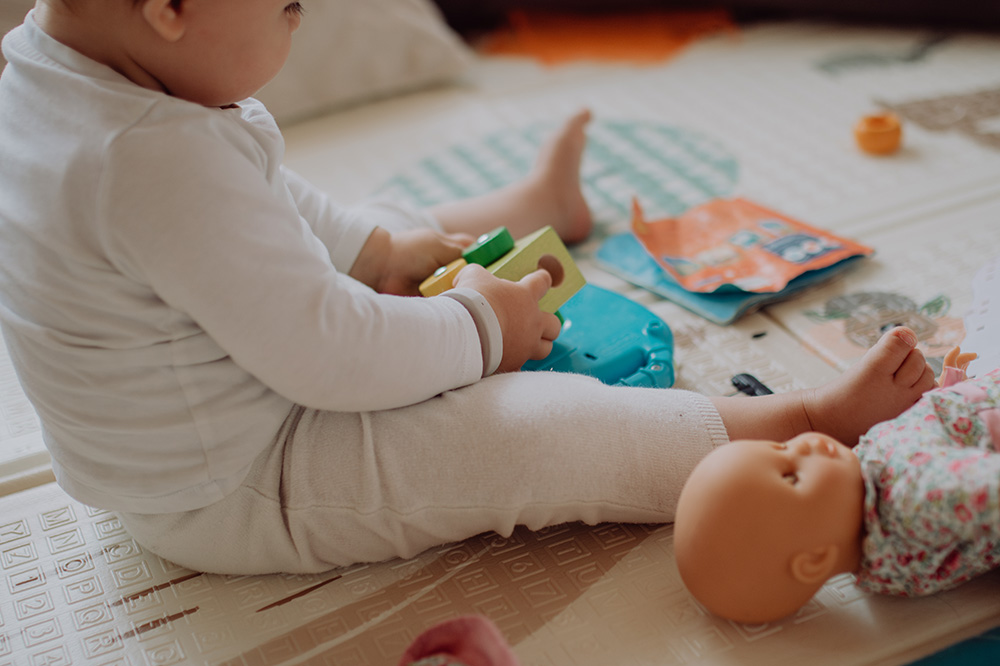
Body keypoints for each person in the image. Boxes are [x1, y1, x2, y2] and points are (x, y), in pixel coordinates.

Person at [0, 0, 937, 575]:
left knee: (393, 230)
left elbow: (260, 202)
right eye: (288, 1)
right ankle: (796, 421)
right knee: (517, 433)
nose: (303, 14)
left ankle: (534, 206)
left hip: (200, 426)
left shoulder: (62, 79)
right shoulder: (149, 159)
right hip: (242, 483)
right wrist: (482, 331)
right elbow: (334, 357)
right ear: (168, 6)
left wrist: (376, 252)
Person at [674, 347, 1000, 624]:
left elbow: (927, 433)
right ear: (815, 559)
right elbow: (983, 488)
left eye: (781, 446)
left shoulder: (866, 482)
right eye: (791, 475)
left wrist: (950, 388)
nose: (802, 446)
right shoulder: (909, 499)